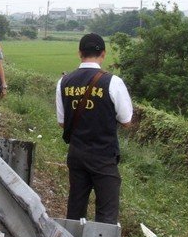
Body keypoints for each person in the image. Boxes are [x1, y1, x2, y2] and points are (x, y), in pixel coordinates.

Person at [56, 33, 133, 224]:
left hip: (77, 154)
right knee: (106, 213)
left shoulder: (64, 82)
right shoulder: (113, 82)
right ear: (103, 54)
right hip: (104, 156)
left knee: (75, 208)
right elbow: (126, 121)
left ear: (80, 53)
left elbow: (62, 122)